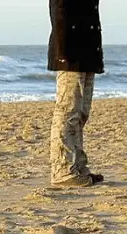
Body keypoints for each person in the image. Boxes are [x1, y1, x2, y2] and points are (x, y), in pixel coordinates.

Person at [48, 0, 105, 187]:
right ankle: (63, 170)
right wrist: (63, 52)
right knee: (68, 111)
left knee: (81, 113)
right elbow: (59, 11)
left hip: (87, 51)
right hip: (71, 52)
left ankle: (78, 166)